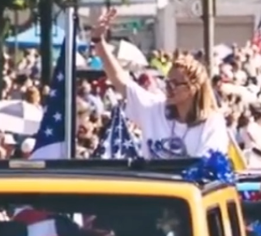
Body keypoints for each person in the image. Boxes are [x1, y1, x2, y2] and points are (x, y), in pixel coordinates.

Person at [94, 29, 232, 160]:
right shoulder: (154, 109)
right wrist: (99, 41)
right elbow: (121, 81)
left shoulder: (212, 123)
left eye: (175, 84)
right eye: (167, 82)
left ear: (193, 88)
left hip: (188, 185)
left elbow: (209, 166)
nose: (169, 88)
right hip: (153, 185)